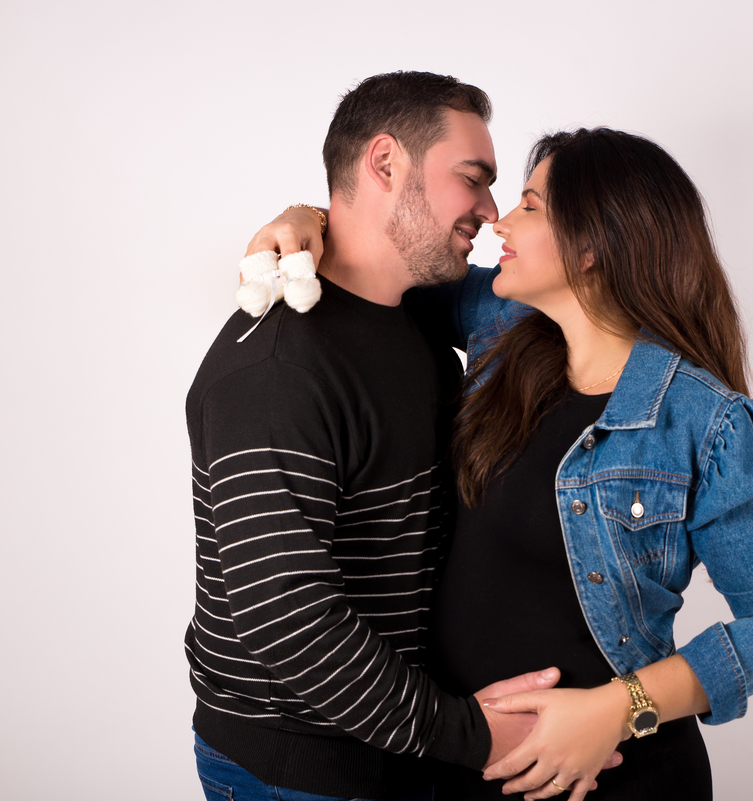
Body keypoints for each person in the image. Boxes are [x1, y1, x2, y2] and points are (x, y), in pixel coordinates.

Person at [248, 127, 753, 800]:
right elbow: (381, 258)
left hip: (609, 776)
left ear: (590, 244)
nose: (500, 221)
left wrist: (619, 709)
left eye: (530, 205)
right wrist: (308, 219)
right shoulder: (500, 324)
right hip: (455, 763)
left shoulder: (707, 424)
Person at [184, 71, 583, 801]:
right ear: (386, 162)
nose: (490, 211)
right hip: (303, 772)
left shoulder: (413, 312)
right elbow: (287, 620)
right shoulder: (275, 370)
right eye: (473, 179)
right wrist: (476, 736)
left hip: (406, 746)